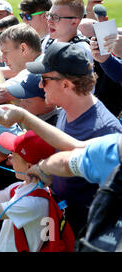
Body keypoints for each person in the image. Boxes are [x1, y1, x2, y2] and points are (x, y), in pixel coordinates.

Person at [23, 42, 122, 236]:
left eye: (45, 79)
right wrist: (46, 176)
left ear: (66, 84)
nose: (40, 85)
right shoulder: (66, 110)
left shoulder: (105, 130)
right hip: (64, 222)